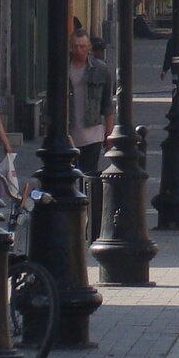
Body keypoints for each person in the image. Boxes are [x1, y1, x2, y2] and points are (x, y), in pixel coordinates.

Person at [70, 22, 115, 239]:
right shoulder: (63, 70)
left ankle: (87, 223)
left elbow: (107, 104)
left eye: (83, 46)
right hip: (69, 135)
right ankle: (74, 221)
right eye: (76, 46)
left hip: (91, 134)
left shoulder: (100, 69)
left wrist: (109, 133)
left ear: (89, 47)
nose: (79, 50)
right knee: (69, 179)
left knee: (88, 176)